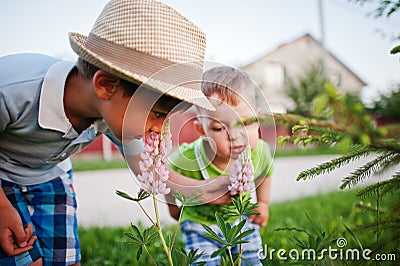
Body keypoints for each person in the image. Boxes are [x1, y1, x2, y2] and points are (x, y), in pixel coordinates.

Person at [0, 0, 231, 265]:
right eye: (157, 114)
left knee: (67, 261)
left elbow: (151, 170)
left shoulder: (112, 114)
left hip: (50, 175)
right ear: (106, 86)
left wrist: (201, 191)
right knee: (25, 260)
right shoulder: (13, 89)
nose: (159, 128)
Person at [166, 66, 274, 265]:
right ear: (201, 129)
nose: (234, 135)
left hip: (241, 219)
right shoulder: (188, 157)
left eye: (244, 123)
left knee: (251, 260)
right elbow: (166, 177)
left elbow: (264, 174)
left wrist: (263, 203)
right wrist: (173, 209)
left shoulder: (260, 151)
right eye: (218, 128)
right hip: (200, 224)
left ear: (258, 120)